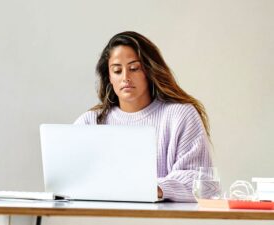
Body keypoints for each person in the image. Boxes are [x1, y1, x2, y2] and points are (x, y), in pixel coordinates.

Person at [74, 31, 212, 202]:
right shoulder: (90, 122)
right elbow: (70, 178)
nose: (125, 78)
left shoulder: (180, 115)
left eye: (134, 68)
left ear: (148, 71)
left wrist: (154, 189)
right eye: (117, 71)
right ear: (109, 77)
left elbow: (203, 184)